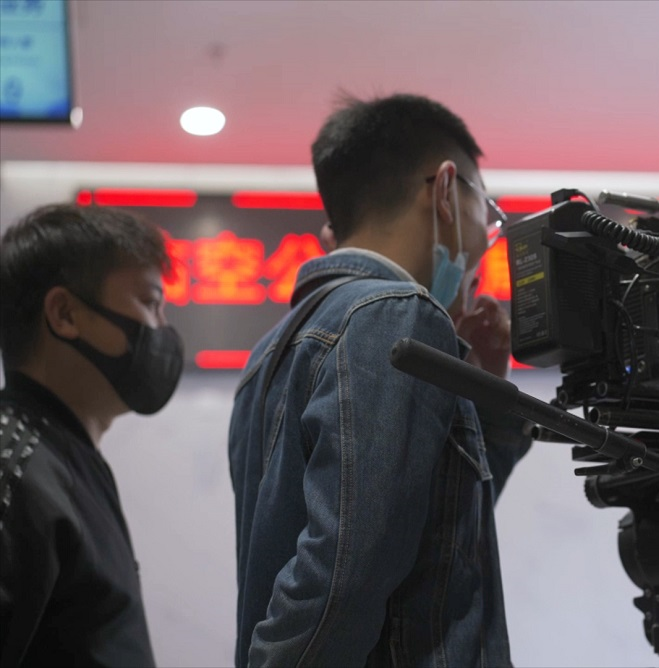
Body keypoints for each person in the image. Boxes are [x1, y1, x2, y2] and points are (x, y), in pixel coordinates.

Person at [228, 93, 532, 667]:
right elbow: (340, 583)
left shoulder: (267, 354)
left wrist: (484, 394)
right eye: (486, 210)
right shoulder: (396, 316)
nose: (486, 236)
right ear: (446, 190)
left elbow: (429, 539)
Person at [0, 204, 184, 666]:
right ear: (64, 314)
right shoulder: (14, 469)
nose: (162, 328)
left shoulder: (63, 456)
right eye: (149, 302)